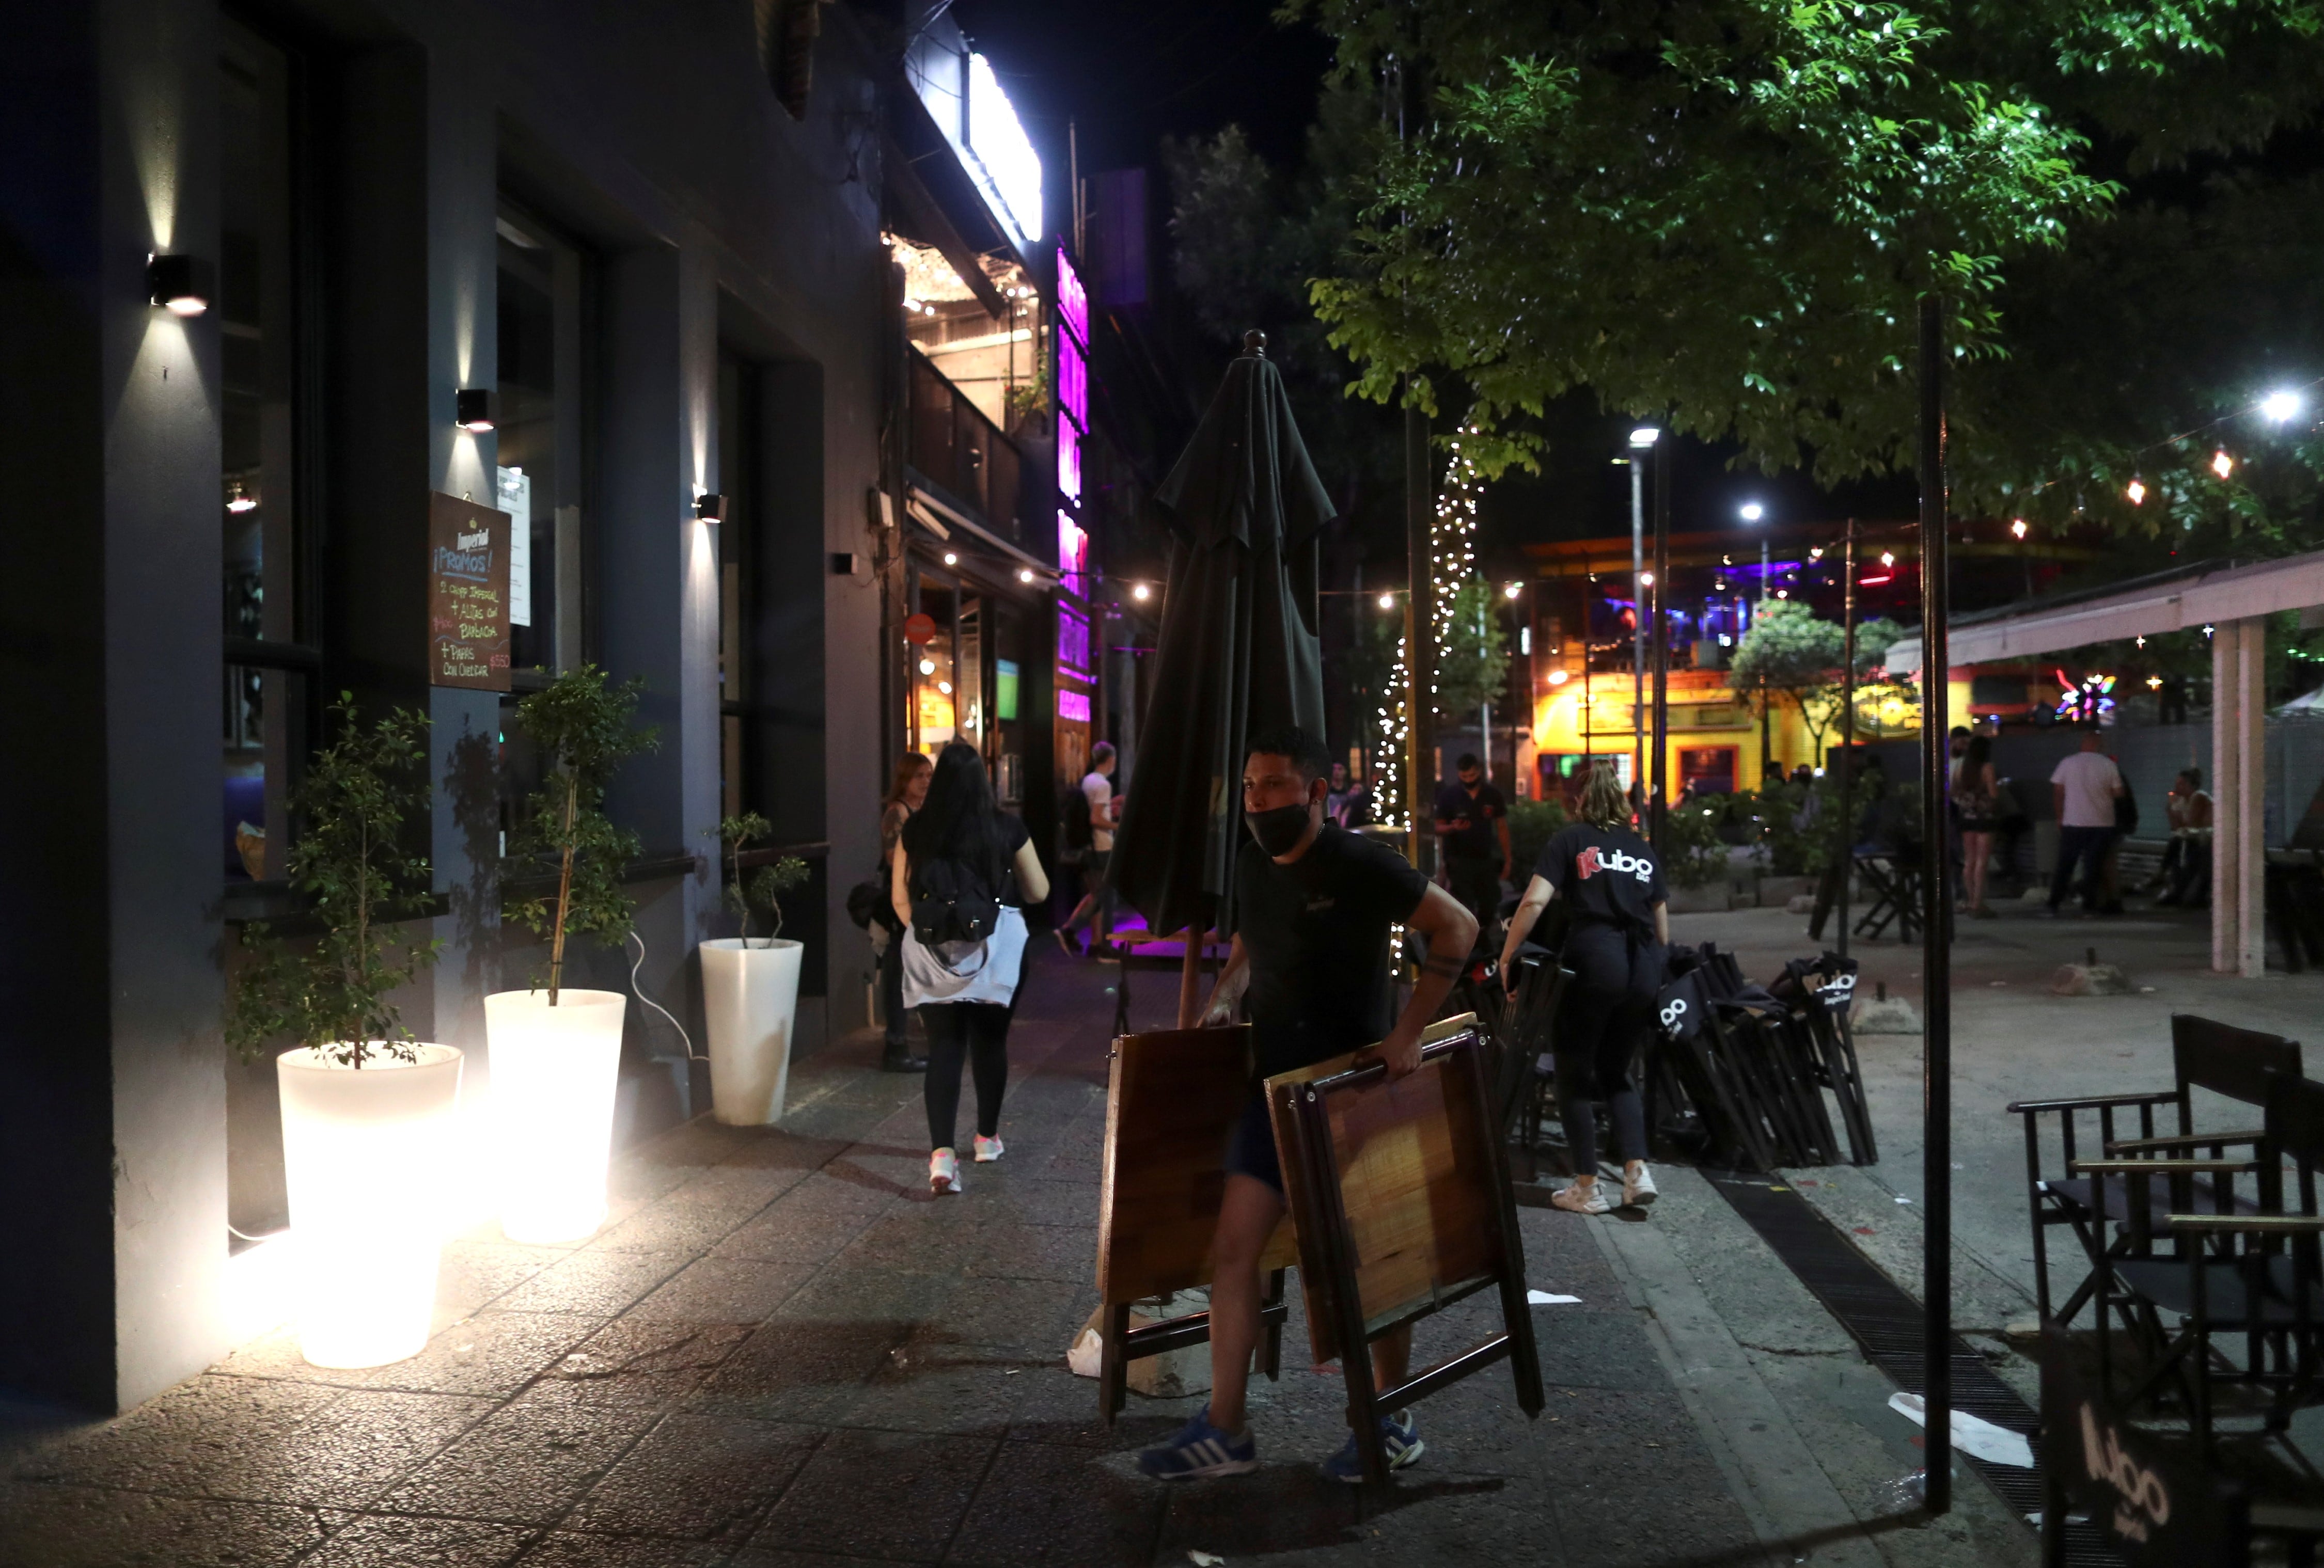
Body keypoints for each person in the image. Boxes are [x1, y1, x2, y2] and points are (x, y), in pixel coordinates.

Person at [1137, 725, 1477, 1484]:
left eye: (1274, 786)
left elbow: (1458, 927)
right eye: (1251, 786)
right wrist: (1225, 997)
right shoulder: (1255, 864)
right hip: (1274, 1092)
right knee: (1234, 1251)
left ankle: (1391, 1418)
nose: (1257, 800)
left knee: (1370, 1266)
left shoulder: (1359, 863)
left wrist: (1408, 1035)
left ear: (1317, 791)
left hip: (1351, 1094)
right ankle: (1225, 1429)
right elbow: (1250, 944)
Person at [1498, 763, 1669, 1215]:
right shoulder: (1642, 850)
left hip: (1596, 961)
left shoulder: (1571, 840)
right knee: (1617, 1069)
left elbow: (1535, 900)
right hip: (1644, 967)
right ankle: (1637, 1171)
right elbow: (1663, 927)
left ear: (1577, 800)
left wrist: (1507, 953)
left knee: (1574, 1072)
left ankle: (1588, 1186)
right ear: (1623, 800)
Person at [889, 742, 1050, 1195]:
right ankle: (986, 1138)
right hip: (996, 948)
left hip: (931, 954)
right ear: (984, 779)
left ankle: (942, 1156)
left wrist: (930, 934)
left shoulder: (917, 829)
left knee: (944, 1046)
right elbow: (1038, 890)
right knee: (990, 1041)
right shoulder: (1004, 827)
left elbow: (901, 898)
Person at [875, 753, 932, 1073]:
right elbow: (892, 857)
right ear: (905, 779)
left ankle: (904, 1041)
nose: (926, 781)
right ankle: (895, 1045)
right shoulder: (897, 812)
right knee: (898, 968)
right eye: (919, 776)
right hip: (902, 897)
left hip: (920, 895)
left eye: (929, 775)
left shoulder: (924, 810)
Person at [1433, 753, 1511, 945]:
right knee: (1464, 905)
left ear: (1479, 772)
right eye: (1465, 777)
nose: (1469, 780)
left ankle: (1482, 940)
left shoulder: (1492, 795)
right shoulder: (1449, 797)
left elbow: (1502, 828)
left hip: (1485, 860)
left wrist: (1508, 859)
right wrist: (1453, 828)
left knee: (1489, 905)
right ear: (1459, 775)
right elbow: (1437, 827)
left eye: (1472, 776)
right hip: (1458, 860)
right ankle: (1468, 944)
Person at [2045, 729, 2124, 917]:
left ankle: (2054, 903)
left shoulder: (2067, 763)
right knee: (2093, 866)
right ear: (2099, 746)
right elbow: (2119, 793)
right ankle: (2089, 906)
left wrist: (2060, 817)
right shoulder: (2108, 765)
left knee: (2066, 864)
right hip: (2102, 823)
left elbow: (2058, 792)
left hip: (2073, 822)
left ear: (2083, 745)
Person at [1056, 742, 1120, 956]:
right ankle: (1073, 931)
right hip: (1101, 845)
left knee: (1095, 894)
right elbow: (1096, 819)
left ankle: (1095, 943)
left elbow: (1092, 810)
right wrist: (1119, 826)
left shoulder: (1088, 781)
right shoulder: (1103, 784)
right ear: (1111, 759)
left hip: (1087, 847)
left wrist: (1111, 805)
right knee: (1105, 897)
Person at [1954, 735, 2001, 918]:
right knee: (1982, 861)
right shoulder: (1987, 768)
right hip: (1984, 817)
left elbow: (1955, 791)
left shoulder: (1962, 768)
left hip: (1967, 817)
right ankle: (1978, 903)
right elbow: (1994, 794)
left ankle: (1970, 898)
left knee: (1969, 860)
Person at [2160, 768, 2214, 906]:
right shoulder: (2183, 801)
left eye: (2182, 784)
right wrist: (2171, 809)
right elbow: (2176, 827)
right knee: (2177, 844)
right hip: (2194, 838)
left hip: (2207, 836)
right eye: (2177, 783)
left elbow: (2192, 824)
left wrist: (2179, 817)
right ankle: (2171, 883)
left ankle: (2163, 874)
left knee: (2179, 845)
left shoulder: (2199, 797)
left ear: (2192, 785)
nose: (2177, 787)